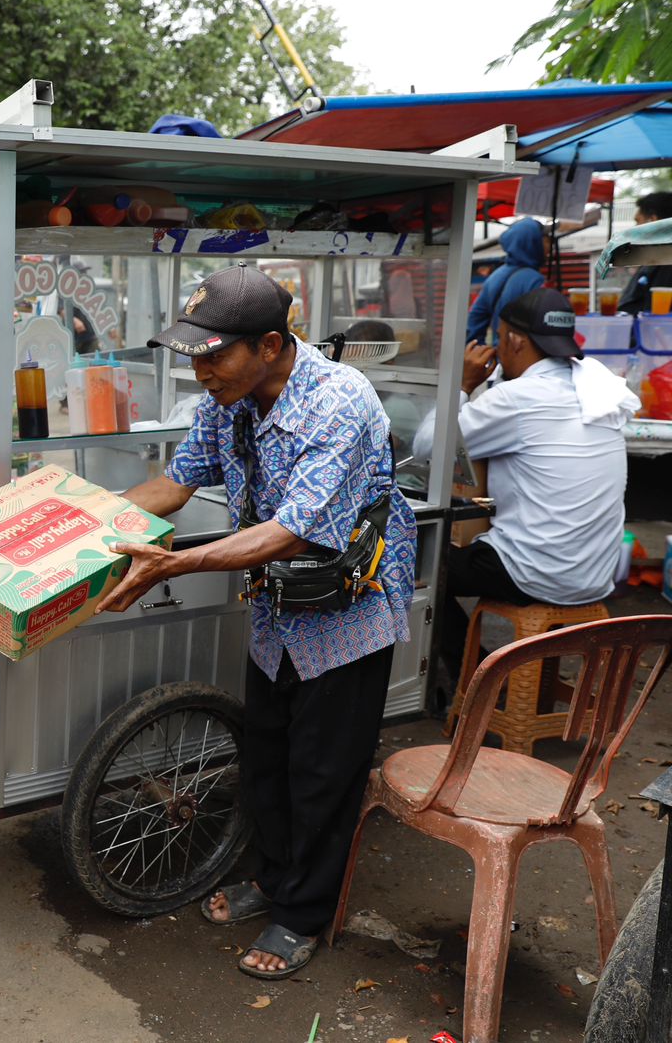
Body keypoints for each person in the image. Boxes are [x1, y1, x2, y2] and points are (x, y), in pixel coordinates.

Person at [96, 262, 415, 981]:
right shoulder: (227, 396)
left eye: (213, 356)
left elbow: (292, 532)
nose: (201, 372)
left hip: (348, 612)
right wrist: (85, 523)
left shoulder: (340, 402)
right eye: (196, 358)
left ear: (270, 345)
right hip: (277, 609)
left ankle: (303, 914)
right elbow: (175, 483)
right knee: (267, 754)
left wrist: (172, 564)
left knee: (323, 772)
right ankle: (273, 880)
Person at [436, 287, 640, 674]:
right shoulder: (599, 388)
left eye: (499, 337)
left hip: (533, 573)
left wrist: (462, 385)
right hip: (597, 573)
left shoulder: (517, 397)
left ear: (515, 340)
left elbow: (430, 446)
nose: (497, 348)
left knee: (413, 564)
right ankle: (487, 676)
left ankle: (477, 678)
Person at [467, 217, 549, 343]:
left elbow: (474, 321)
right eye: (546, 240)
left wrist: (480, 349)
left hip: (500, 352)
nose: (549, 246)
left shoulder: (494, 277)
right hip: (526, 354)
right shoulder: (534, 280)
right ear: (532, 243)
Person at [617, 192, 672, 315]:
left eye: (638, 221)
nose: (634, 228)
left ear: (653, 221)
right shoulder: (657, 258)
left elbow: (656, 314)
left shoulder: (666, 262)